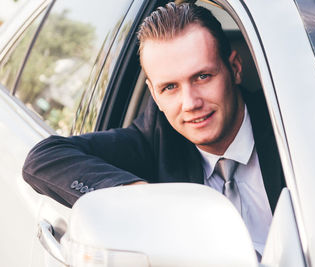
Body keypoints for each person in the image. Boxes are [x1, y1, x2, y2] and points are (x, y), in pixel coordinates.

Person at [22, 2, 284, 256]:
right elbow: (43, 159)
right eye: (170, 87)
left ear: (235, 69)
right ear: (154, 96)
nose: (190, 103)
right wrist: (142, 198)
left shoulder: (288, 125)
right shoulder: (155, 139)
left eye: (202, 76)